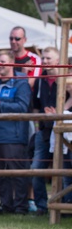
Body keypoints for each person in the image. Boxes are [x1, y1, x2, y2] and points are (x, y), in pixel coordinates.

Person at [0, 50, 32, 214]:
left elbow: (22, 107)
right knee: (1, 175)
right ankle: (7, 207)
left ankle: (21, 207)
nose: (0, 66)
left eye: (3, 62)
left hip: (14, 137)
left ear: (11, 62)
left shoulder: (21, 83)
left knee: (17, 174)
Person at [31, 46, 66, 215]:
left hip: (65, 131)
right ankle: (42, 206)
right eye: (43, 58)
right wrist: (40, 123)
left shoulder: (66, 77)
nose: (44, 62)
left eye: (48, 59)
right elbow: (36, 106)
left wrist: (60, 112)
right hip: (44, 132)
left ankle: (67, 206)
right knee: (36, 170)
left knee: (66, 172)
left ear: (58, 60)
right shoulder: (40, 80)